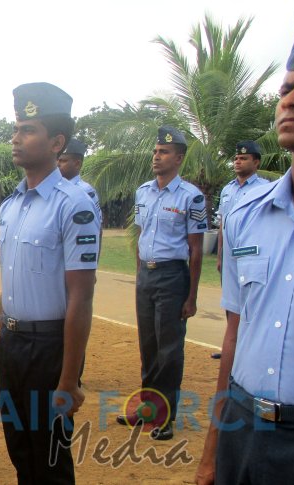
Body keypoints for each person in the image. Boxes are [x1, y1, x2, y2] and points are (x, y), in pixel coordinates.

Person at [194, 20, 294, 485]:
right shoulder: (245, 217)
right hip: (242, 425)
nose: (290, 100)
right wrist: (212, 451)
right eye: (287, 89)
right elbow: (233, 334)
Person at [0, 82, 99, 485]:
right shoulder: (11, 206)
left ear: (57, 142)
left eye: (28, 129)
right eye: (16, 128)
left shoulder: (74, 205)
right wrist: (1, 337)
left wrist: (70, 379)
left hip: (50, 348)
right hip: (12, 344)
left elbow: (81, 296)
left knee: (51, 458)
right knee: (19, 448)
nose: (16, 138)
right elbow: (9, 280)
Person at [116, 125, 207, 440]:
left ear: (179, 158)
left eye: (164, 152)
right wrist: (140, 275)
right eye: (156, 151)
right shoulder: (143, 191)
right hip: (148, 277)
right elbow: (141, 237)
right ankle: (147, 408)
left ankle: (164, 418)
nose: (157, 156)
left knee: (169, 349)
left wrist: (191, 296)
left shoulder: (191, 197)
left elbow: (196, 250)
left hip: (172, 276)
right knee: (149, 345)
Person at [215, 140, 268, 272]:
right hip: (228, 254)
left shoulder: (265, 188)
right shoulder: (227, 190)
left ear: (256, 162)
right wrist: (219, 255)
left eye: (243, 158)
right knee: (229, 292)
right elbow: (223, 224)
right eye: (236, 158)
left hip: (252, 252)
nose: (237, 162)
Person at [57, 138, 103, 224]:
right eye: (57, 160)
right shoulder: (52, 187)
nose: (57, 164)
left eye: (63, 161)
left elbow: (97, 223)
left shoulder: (86, 191)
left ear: (77, 164)